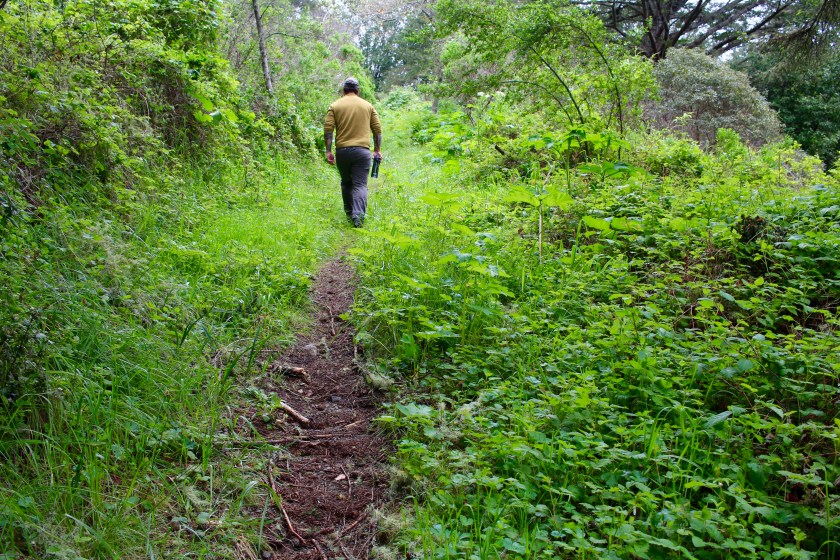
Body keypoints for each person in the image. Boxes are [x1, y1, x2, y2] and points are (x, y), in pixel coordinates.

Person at [324, 77, 382, 227]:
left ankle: (350, 214)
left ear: (344, 90)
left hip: (342, 151)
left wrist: (328, 151)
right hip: (362, 152)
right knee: (360, 185)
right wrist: (377, 150)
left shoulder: (335, 106)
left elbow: (328, 129)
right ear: (357, 91)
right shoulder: (368, 106)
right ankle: (359, 217)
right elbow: (377, 130)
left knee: (346, 183)